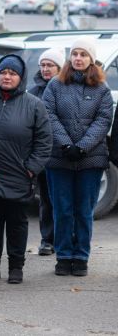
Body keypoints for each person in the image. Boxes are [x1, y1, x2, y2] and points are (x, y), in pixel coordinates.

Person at [0, 55, 52, 284]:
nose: (7, 77)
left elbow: (45, 142)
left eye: (13, 73)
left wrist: (31, 169)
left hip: (18, 175)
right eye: (3, 73)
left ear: (21, 77)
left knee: (17, 224)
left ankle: (16, 266)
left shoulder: (34, 105)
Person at [43, 37, 113, 277]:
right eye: (75, 54)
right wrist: (65, 145)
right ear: (69, 58)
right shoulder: (55, 85)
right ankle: (63, 256)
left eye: (83, 54)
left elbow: (103, 120)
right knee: (62, 209)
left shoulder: (101, 89)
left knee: (84, 211)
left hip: (90, 159)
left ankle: (81, 256)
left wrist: (82, 147)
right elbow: (48, 115)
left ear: (91, 59)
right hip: (59, 158)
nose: (78, 58)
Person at [28, 47, 65, 256]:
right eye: (42, 65)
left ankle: (62, 239)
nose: (45, 69)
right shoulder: (33, 93)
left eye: (50, 65)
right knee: (45, 199)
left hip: (61, 154)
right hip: (41, 155)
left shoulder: (66, 89)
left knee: (61, 200)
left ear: (59, 68)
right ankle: (47, 240)